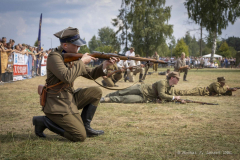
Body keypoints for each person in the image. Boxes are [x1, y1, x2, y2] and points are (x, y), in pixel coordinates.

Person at [32, 27, 118, 142]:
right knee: (79, 136)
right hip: (57, 104)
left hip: (69, 99)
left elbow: (90, 73)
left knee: (96, 92)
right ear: (65, 45)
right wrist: (82, 62)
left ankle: (86, 127)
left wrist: (105, 64)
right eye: (76, 46)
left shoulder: (71, 56)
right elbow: (67, 77)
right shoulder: (54, 57)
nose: (78, 48)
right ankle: (44, 122)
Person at [100, 71, 186, 103]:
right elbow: (162, 95)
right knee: (122, 92)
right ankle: (106, 96)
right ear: (172, 78)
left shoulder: (172, 88)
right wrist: (174, 97)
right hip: (140, 88)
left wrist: (179, 100)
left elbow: (169, 98)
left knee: (125, 99)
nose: (178, 80)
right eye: (177, 78)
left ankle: (106, 100)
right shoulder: (162, 82)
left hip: (145, 98)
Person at [174, 77, 238, 96]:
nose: (224, 84)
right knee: (186, 92)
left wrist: (230, 90)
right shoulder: (216, 83)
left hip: (204, 92)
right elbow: (218, 91)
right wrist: (226, 88)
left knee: (186, 92)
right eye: (223, 83)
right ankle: (174, 91)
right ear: (219, 82)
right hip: (201, 91)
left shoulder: (220, 86)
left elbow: (222, 92)